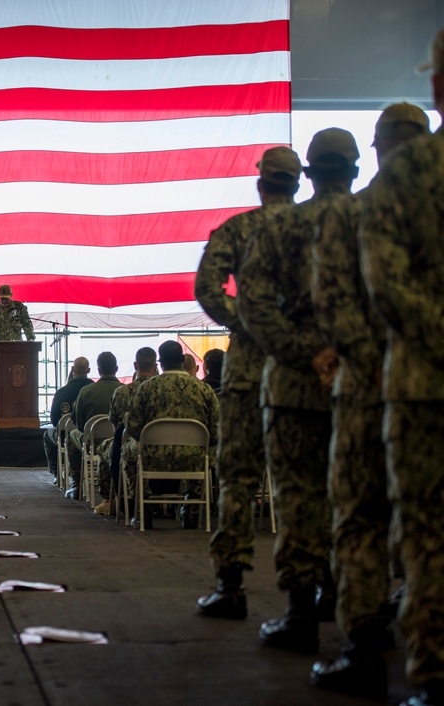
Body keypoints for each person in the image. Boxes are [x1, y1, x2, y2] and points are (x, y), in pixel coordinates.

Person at [308, 102, 430, 697]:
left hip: (366, 389)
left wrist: (370, 362)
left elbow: (332, 301)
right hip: (432, 386)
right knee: (429, 521)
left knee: (359, 516)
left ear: (377, 152)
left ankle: (364, 645)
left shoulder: (353, 213)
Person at [238, 127, 360, 654]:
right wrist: (352, 352)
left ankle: (300, 615)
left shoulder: (284, 226)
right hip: (360, 384)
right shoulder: (373, 219)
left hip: (292, 385)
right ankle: (358, 614)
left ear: (309, 175)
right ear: (354, 171)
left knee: (297, 498)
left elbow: (253, 304)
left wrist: (303, 352)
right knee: (356, 501)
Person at [358, 31, 444, 705]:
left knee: (425, 533)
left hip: (421, 384)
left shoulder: (407, 177)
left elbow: (383, 282)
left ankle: (433, 675)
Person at [193, 146, 302, 620]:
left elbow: (206, 288)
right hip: (300, 369)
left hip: (248, 371)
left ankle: (231, 585)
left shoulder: (239, 230)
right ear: (297, 184)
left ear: (261, 184)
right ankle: (308, 592)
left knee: (237, 477)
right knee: (301, 481)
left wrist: (246, 320)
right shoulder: (316, 227)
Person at [126, 341, 220, 527]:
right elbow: (215, 431)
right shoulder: (204, 390)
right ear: (182, 359)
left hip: (152, 457)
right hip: (194, 458)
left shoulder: (145, 389)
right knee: (208, 449)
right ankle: (192, 507)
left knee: (126, 450)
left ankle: (143, 508)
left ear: (160, 363)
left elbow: (133, 426)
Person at [106, 347, 159, 522]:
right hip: (167, 451)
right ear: (155, 366)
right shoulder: (161, 392)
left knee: (114, 449)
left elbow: (115, 427)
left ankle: (124, 502)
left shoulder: (121, 392)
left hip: (132, 452)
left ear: (135, 365)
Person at [67, 352, 123, 514]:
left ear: (98, 370)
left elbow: (79, 425)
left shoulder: (86, 392)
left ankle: (77, 484)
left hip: (93, 443)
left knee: (72, 436)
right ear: (116, 369)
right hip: (120, 444)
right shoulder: (126, 391)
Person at [41, 357, 92, 493]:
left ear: (73, 369)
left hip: (65, 436)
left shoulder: (62, 392)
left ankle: (57, 474)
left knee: (47, 434)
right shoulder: (93, 389)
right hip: (92, 436)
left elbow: (54, 420)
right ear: (88, 370)